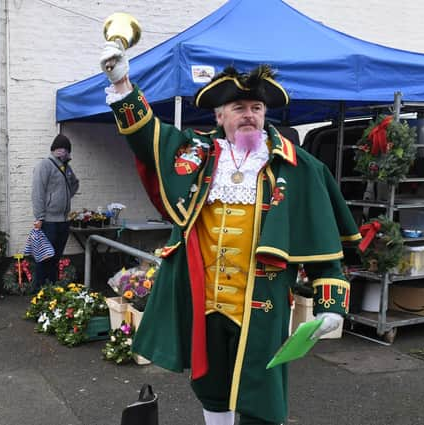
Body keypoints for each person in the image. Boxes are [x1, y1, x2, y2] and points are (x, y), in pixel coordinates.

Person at [100, 42, 361, 425]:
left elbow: (323, 247)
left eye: (257, 108)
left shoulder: (298, 166)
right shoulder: (199, 154)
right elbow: (147, 135)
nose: (249, 116)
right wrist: (122, 82)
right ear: (220, 116)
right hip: (205, 299)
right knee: (210, 382)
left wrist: (331, 304)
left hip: (262, 300)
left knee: (262, 388)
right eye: (239, 108)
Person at [31, 134, 79, 291]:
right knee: (44, 258)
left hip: (63, 221)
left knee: (55, 259)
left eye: (66, 151)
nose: (64, 153)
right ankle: (39, 292)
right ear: (55, 150)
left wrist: (65, 196)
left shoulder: (66, 167)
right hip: (48, 222)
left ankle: (52, 292)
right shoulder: (45, 165)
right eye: (62, 150)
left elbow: (74, 183)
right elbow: (37, 192)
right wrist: (40, 217)